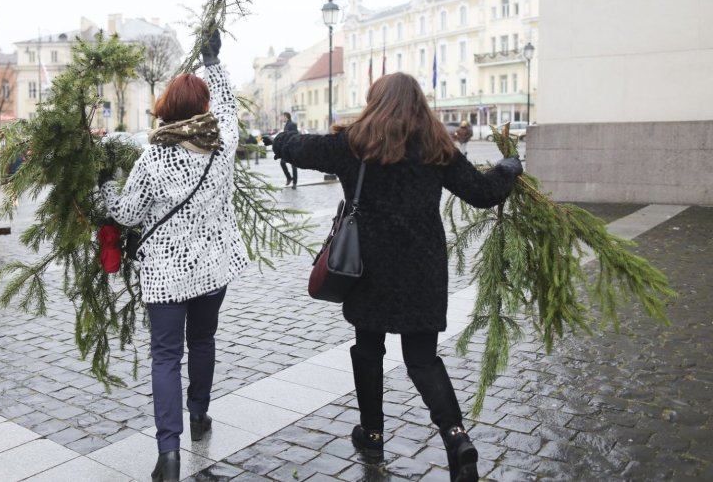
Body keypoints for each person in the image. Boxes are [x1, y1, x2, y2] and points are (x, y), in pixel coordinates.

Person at [269, 72, 522, 482]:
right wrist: (508, 169)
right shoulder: (439, 147)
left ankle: (372, 434)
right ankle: (457, 439)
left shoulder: (354, 143)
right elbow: (483, 193)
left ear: (375, 101)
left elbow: (298, 147)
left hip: (367, 266)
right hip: (422, 267)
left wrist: (280, 138)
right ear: (418, 104)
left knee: (368, 349)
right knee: (421, 358)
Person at [101, 30, 246, 482]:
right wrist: (213, 61)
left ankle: (169, 454)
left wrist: (104, 184)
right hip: (212, 269)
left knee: (165, 358)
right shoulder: (223, 146)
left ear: (166, 108)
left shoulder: (153, 158)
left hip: (166, 276)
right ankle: (200, 414)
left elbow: (125, 213)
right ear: (202, 109)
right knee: (203, 341)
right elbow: (228, 108)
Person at [279, 111, 298, 188]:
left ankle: (294, 183)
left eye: (282, 116)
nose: (281, 118)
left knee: (294, 165)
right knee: (282, 163)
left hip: (292, 147)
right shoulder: (286, 125)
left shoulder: (292, 124)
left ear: (286, 117)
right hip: (286, 148)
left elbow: (295, 134)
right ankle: (289, 178)